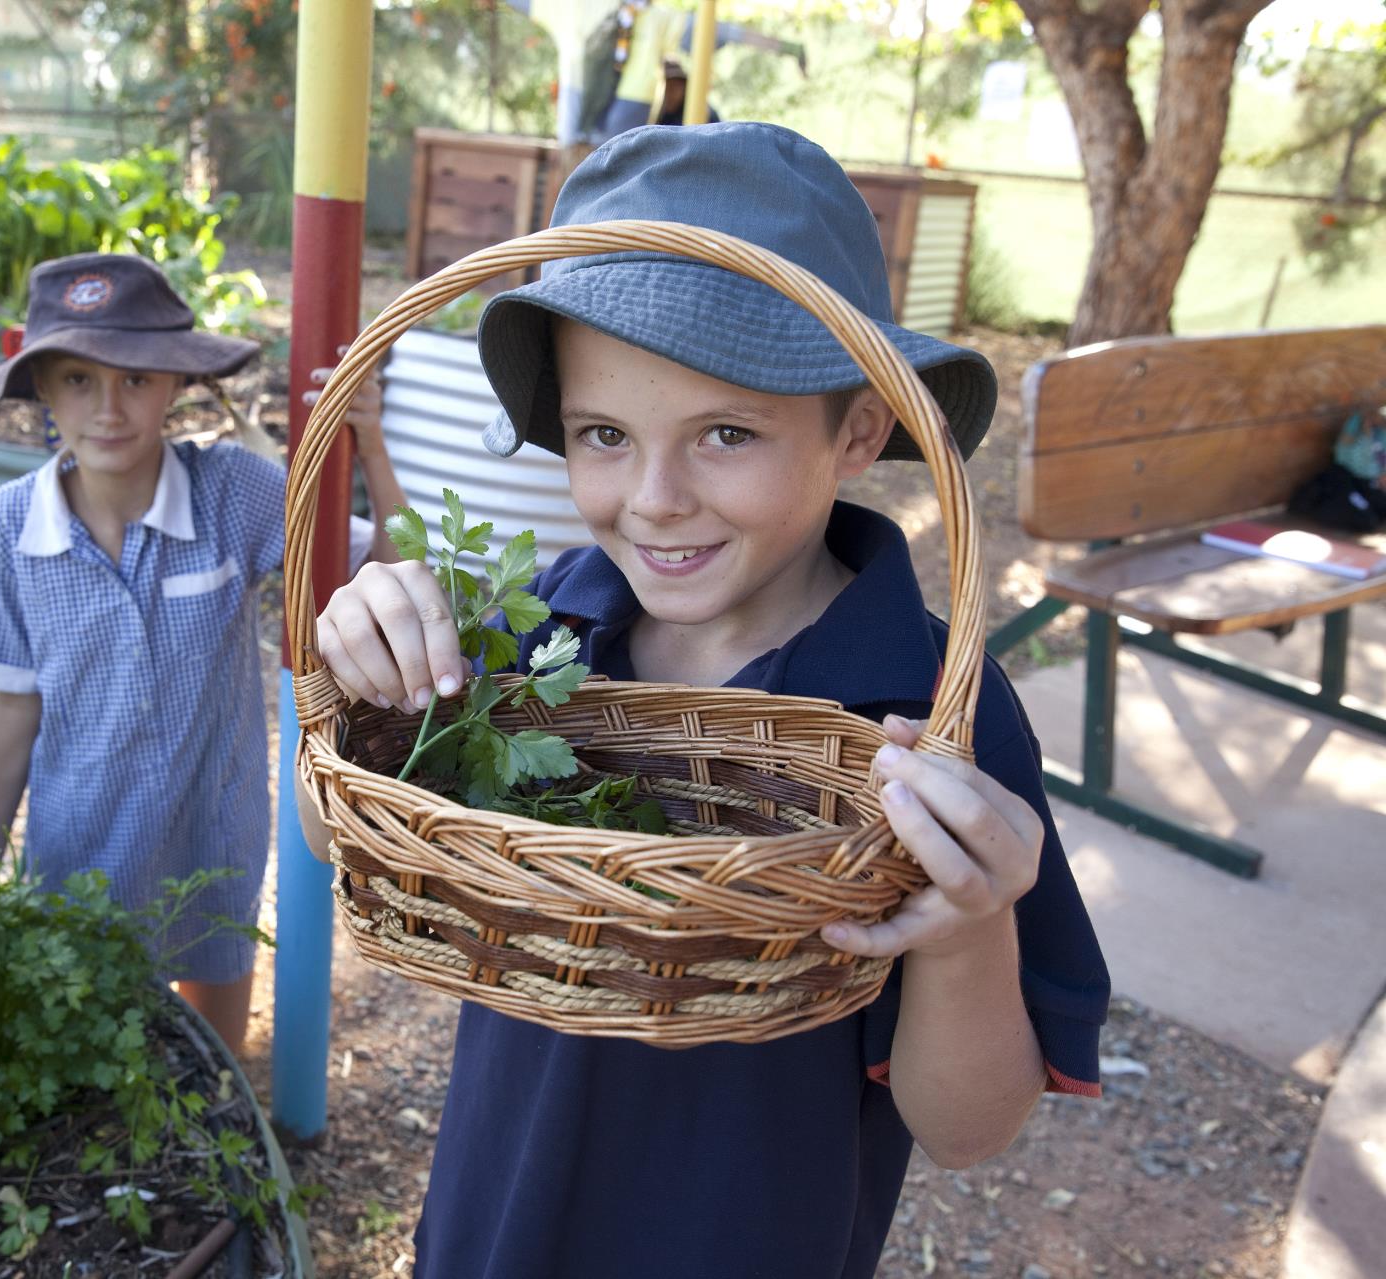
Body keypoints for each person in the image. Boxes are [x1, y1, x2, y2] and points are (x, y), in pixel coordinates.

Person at [302, 123, 1109, 1278]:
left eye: (726, 433)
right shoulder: (529, 641)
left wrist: (972, 925)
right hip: (496, 1222)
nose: (655, 500)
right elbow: (350, 849)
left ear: (860, 431)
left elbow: (969, 1129)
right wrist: (362, 682)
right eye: (604, 436)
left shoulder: (927, 714)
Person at [0, 252, 405, 1052]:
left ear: (175, 383)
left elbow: (389, 574)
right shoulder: (10, 526)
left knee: (211, 1072)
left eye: (135, 378)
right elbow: (13, 706)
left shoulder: (231, 489)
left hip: (213, 833)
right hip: (77, 847)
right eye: (77, 379)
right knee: (84, 1062)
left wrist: (370, 447)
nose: (108, 408)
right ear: (44, 391)